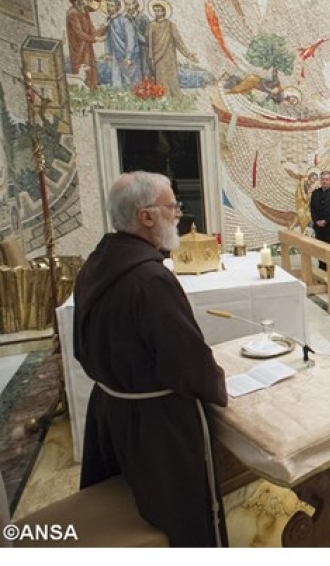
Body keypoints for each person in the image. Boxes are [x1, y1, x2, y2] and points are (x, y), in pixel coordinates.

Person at [73, 171, 228, 546]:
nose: (178, 214)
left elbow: (80, 346)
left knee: (126, 498)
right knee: (177, 520)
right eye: (172, 206)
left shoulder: (97, 261)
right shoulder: (150, 279)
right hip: (158, 428)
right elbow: (187, 365)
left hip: (110, 410)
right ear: (146, 216)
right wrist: (217, 386)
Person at [148, 0, 197, 97]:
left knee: (171, 75)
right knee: (160, 75)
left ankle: (174, 95)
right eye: (155, 11)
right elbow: (150, 41)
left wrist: (187, 54)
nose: (157, 13)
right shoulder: (152, 25)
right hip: (157, 55)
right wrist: (150, 55)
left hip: (169, 55)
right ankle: (162, 95)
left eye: (159, 10)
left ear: (164, 12)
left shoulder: (170, 25)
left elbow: (178, 41)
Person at [66, 0, 102, 90]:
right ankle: (83, 90)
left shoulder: (85, 13)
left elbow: (92, 30)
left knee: (91, 65)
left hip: (86, 45)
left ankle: (92, 89)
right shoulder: (73, 13)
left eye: (91, 1)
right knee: (82, 66)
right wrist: (94, 39)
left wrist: (104, 27)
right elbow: (79, 33)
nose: (89, 3)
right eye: (87, 0)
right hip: (78, 47)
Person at [102, 0, 140, 88]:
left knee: (131, 79)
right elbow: (107, 38)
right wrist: (107, 53)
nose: (109, 8)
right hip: (116, 53)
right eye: (108, 5)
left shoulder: (124, 21)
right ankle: (118, 94)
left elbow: (130, 39)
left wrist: (128, 57)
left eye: (112, 5)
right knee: (116, 77)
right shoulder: (109, 20)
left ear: (118, 7)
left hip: (129, 53)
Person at [122, 0, 151, 82]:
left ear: (135, 5)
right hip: (129, 49)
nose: (129, 7)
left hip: (142, 48)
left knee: (143, 69)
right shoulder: (124, 17)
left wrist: (135, 30)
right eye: (127, 5)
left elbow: (147, 37)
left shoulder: (143, 18)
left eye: (131, 4)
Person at [310, 169, 330, 246]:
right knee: (318, 248)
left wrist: (326, 221)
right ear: (320, 180)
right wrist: (316, 221)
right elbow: (312, 209)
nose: (324, 181)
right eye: (323, 179)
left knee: (329, 249)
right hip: (318, 227)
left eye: (326, 179)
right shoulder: (315, 193)